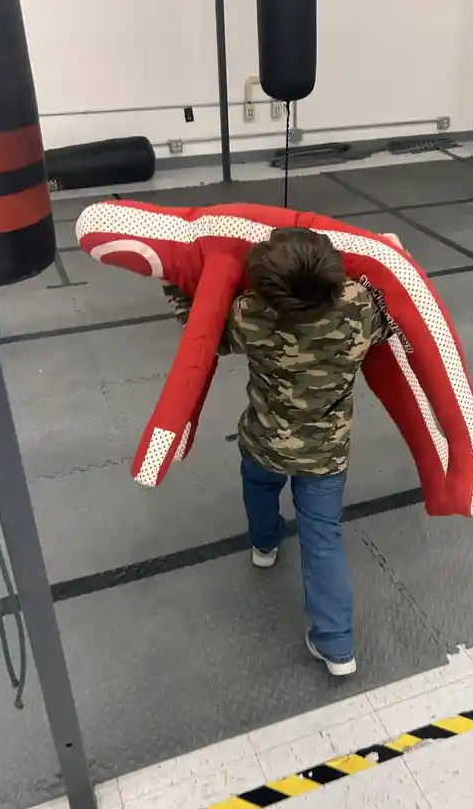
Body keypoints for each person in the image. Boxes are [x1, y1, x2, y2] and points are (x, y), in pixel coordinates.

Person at [165, 227, 393, 676]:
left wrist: (177, 282)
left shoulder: (251, 314)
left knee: (259, 493)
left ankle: (265, 545)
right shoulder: (357, 307)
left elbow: (205, 325)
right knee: (323, 537)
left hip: (264, 440)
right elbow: (388, 323)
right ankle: (336, 645)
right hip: (325, 453)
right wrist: (388, 254)